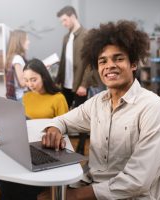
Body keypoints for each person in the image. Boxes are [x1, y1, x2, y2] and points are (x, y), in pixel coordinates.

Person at [41, 20, 160, 200]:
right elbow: (62, 120)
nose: (109, 65)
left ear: (133, 64)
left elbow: (138, 180)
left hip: (130, 196)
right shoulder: (97, 103)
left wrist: (75, 196)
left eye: (118, 58)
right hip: (91, 185)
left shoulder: (152, 107)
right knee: (24, 190)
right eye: (103, 61)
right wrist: (53, 129)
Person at [0, 59, 68, 200]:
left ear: (44, 77)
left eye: (33, 79)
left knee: (12, 186)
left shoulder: (58, 98)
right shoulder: (26, 97)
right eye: (26, 80)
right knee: (5, 179)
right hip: (27, 147)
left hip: (49, 150)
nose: (29, 84)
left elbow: (65, 129)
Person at [55, 5, 94, 154]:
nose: (63, 24)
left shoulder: (87, 35)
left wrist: (84, 84)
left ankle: (80, 148)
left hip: (79, 85)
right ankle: (62, 146)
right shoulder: (66, 37)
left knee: (82, 118)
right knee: (62, 116)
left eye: (64, 20)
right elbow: (64, 61)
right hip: (65, 84)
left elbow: (91, 63)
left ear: (72, 16)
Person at [5, 29, 30, 101]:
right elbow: (22, 83)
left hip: (18, 97)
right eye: (26, 39)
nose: (29, 42)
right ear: (19, 42)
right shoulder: (18, 59)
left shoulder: (12, 57)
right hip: (21, 98)